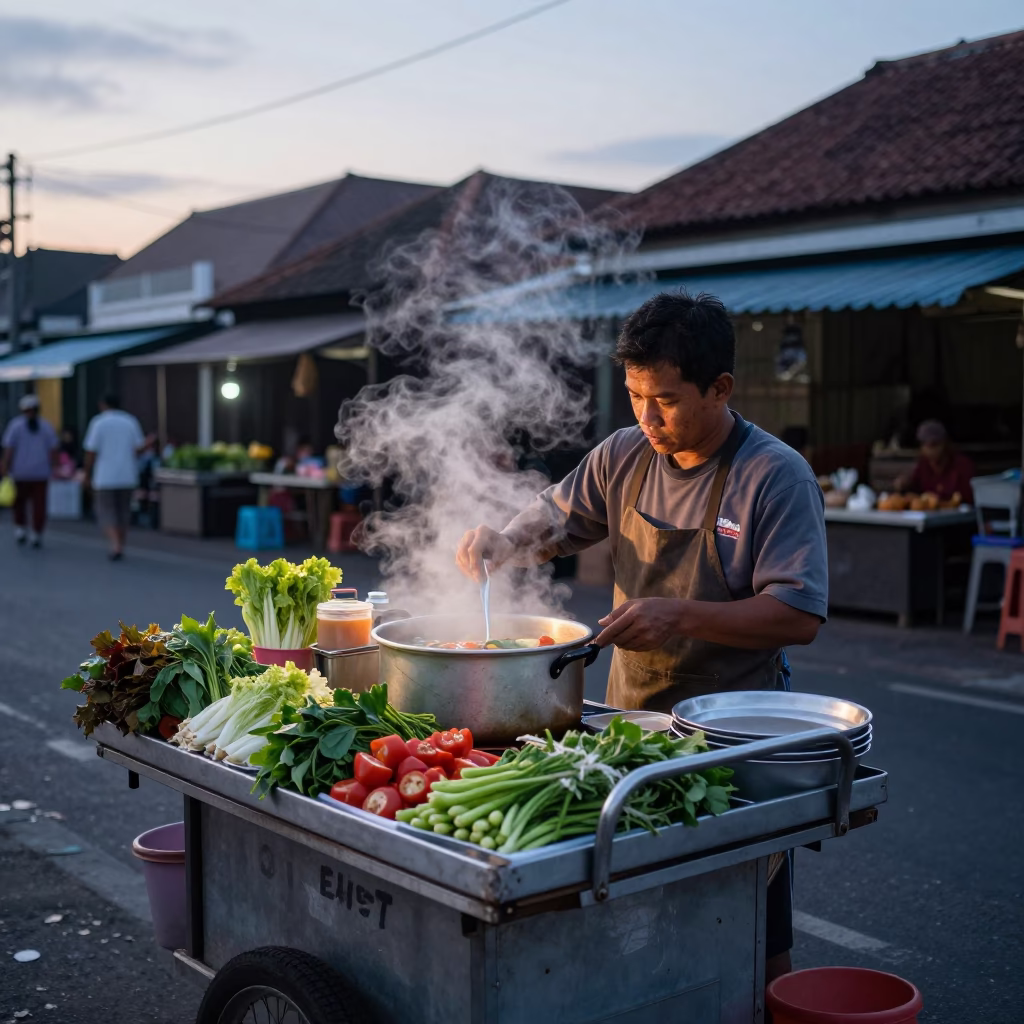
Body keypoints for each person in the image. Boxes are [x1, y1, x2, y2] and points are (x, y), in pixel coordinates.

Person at [456, 291, 828, 983]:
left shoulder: (774, 476)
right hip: (632, 728)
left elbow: (797, 615)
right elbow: (555, 523)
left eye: (665, 399)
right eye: (633, 396)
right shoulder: (624, 454)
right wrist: (502, 540)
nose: (647, 417)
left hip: (734, 737)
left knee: (749, 924)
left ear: (721, 388)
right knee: (637, 915)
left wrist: (678, 614)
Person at [83, 395, 148, 561]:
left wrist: (86, 473)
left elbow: (91, 450)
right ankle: (121, 543)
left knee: (106, 512)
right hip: (127, 474)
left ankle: (115, 544)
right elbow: (138, 448)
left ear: (102, 404)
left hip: (105, 476)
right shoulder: (130, 421)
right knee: (123, 512)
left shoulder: (98, 422)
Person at [1, 394, 58, 548]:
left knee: (27, 503)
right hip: (35, 472)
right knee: (29, 503)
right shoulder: (45, 426)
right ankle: (31, 531)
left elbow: (9, 449)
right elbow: (53, 450)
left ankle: (27, 529)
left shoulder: (17, 425)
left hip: (24, 472)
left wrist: (5, 465)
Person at [896, 420, 975, 504]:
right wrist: (904, 485)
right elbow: (915, 492)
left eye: (934, 445)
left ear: (945, 443)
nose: (931, 451)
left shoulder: (962, 465)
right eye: (926, 446)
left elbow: (968, 499)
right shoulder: (923, 465)